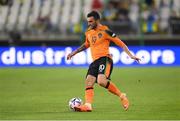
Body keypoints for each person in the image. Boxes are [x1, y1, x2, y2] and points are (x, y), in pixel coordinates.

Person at [67, 11, 141, 112]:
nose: (89, 23)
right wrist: (73, 53)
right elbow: (86, 44)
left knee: (101, 81)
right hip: (95, 61)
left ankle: (122, 95)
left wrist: (131, 55)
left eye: (91, 21)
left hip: (105, 59)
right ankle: (88, 105)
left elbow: (121, 43)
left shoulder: (106, 31)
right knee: (89, 81)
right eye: (88, 21)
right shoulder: (88, 32)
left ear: (97, 20)